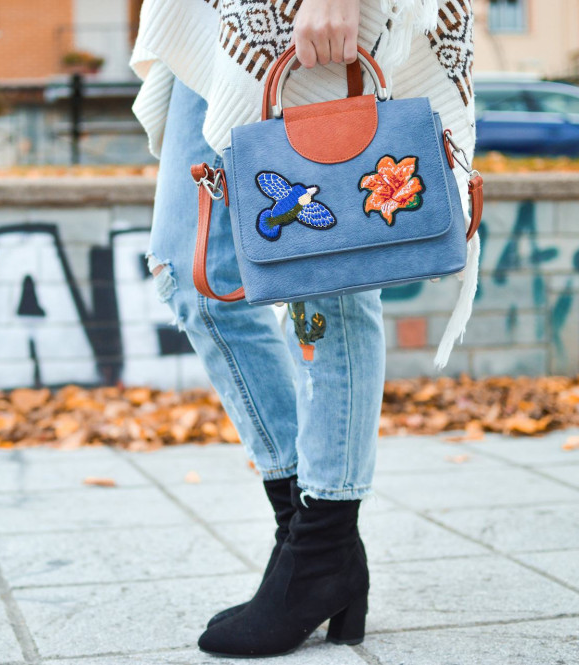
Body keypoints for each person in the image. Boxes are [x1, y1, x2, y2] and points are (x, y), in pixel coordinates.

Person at [130, 0, 479, 658]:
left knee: (330, 271)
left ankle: (319, 545)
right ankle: (310, 541)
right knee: (192, 274)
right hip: (216, 14)